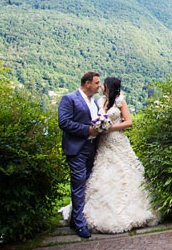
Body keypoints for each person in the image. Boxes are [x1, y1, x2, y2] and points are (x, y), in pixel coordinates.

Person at [83, 76, 159, 233]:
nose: (102, 87)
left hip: (117, 140)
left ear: (109, 87)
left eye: (104, 85)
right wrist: (99, 127)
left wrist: (110, 128)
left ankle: (129, 210)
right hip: (103, 143)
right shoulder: (100, 102)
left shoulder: (120, 101)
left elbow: (129, 122)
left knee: (125, 170)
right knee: (103, 172)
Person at [58, 71, 101, 239]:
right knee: (79, 184)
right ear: (87, 83)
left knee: (87, 183)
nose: (99, 86)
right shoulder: (69, 99)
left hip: (92, 148)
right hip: (76, 149)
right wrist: (87, 130)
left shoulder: (94, 101)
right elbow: (64, 122)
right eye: (97, 83)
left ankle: (75, 219)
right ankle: (80, 224)